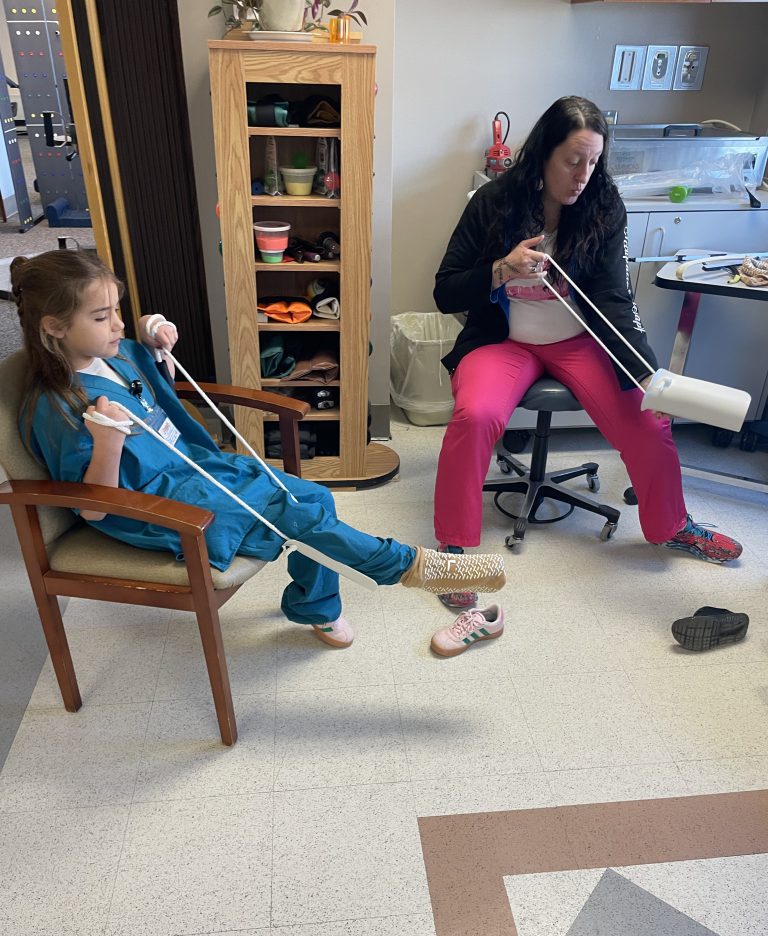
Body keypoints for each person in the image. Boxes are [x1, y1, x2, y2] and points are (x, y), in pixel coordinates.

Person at [11, 250, 506, 648]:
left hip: (196, 470)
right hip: (154, 506)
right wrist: (107, 441)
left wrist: (149, 326)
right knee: (296, 515)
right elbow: (92, 508)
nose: (117, 325)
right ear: (54, 326)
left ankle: (314, 607)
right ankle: (412, 566)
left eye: (117, 311)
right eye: (102, 316)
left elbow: (143, 356)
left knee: (316, 497)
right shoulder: (56, 408)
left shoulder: (113, 355)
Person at [432, 96, 741, 609]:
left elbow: (615, 298)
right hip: (503, 342)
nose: (582, 175)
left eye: (593, 162)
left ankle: (672, 525)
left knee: (649, 419)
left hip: (581, 341)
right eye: (572, 161)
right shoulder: (493, 201)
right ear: (543, 154)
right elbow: (445, 291)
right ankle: (454, 551)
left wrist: (646, 374)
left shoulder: (604, 205)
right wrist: (503, 268)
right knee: (475, 414)